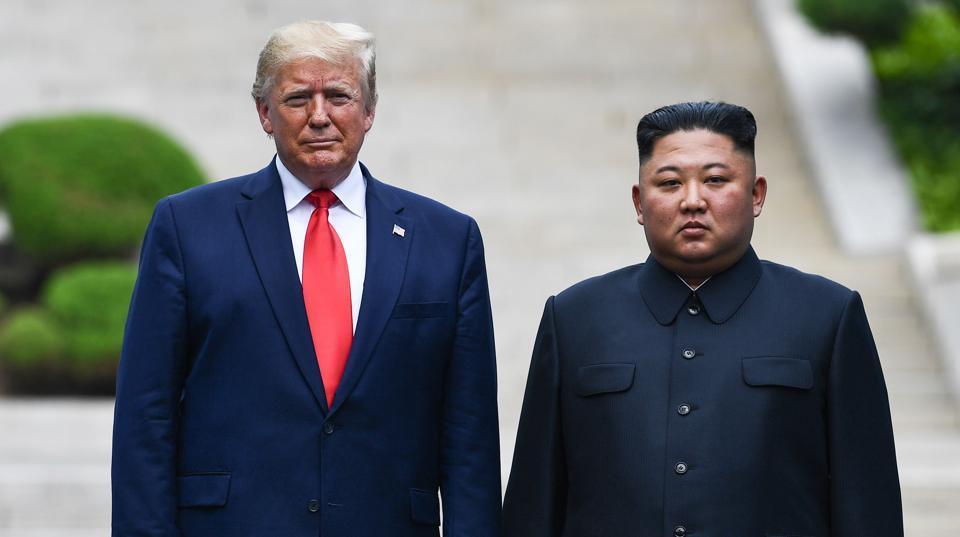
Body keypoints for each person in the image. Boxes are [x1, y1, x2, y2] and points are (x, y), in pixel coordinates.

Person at [112, 20, 501, 537]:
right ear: (264, 113)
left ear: (369, 111)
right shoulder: (187, 227)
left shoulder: (447, 240)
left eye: (338, 95)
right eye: (298, 98)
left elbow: (470, 435)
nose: (320, 116)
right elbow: (146, 415)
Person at [502, 101, 903, 537]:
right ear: (639, 202)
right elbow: (532, 505)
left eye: (715, 180)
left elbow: (868, 504)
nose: (693, 201)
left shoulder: (826, 315)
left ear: (756, 195)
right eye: (670, 183)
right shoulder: (576, 319)